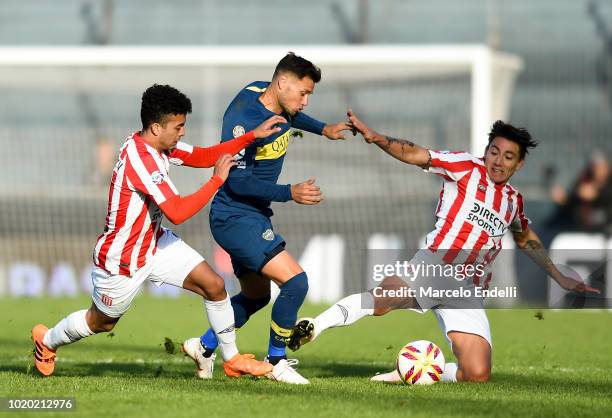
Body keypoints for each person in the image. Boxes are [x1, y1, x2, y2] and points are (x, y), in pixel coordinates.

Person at [288, 110, 600, 383]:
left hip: (469, 289)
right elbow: (416, 153)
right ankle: (316, 324)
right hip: (435, 266)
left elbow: (525, 238)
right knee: (383, 300)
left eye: (508, 156)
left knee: (476, 374)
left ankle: (408, 372)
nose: (498, 160)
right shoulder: (465, 166)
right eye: (494, 151)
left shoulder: (513, 201)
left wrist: (559, 275)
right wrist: (377, 137)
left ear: (518, 164)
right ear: (486, 151)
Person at [31, 84, 286, 378]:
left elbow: (203, 156)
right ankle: (47, 340)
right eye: (178, 127)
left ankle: (232, 359)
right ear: (155, 127)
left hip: (155, 243)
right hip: (123, 258)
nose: (183, 133)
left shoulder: (161, 144)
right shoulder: (140, 160)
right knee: (101, 322)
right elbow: (177, 212)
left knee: (214, 286)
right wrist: (217, 181)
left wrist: (252, 136)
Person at [182, 52, 351, 384]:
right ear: (283, 82)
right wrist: (291, 192)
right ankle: (277, 361)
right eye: (302, 93)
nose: (304, 101)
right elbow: (236, 180)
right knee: (296, 282)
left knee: (257, 296)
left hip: (253, 214)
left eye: (309, 96)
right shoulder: (243, 119)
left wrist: (324, 128)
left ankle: (203, 346)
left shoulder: (267, 93)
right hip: (235, 216)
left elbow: (289, 117)